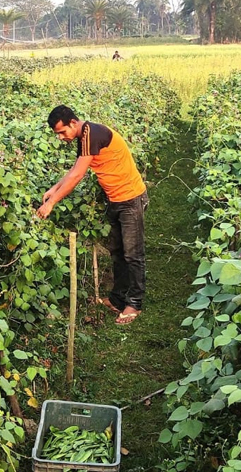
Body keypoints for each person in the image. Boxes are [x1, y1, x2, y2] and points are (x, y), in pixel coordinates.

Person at [36, 105, 148, 325]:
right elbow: (77, 168)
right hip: (116, 199)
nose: (60, 138)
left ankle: (134, 304)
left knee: (133, 254)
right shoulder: (85, 136)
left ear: (73, 123)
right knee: (118, 251)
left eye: (62, 132)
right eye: (57, 134)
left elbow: (78, 175)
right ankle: (117, 299)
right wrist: (54, 189)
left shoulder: (92, 133)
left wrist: (51, 204)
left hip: (130, 198)